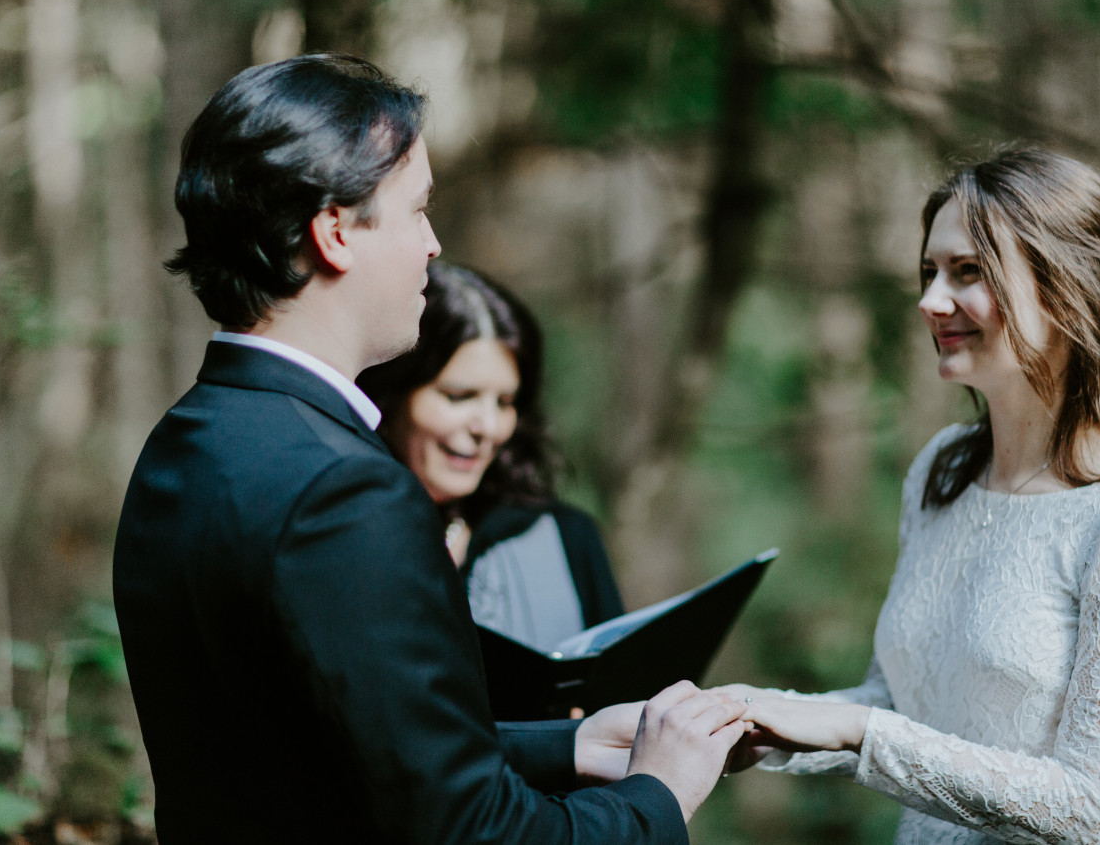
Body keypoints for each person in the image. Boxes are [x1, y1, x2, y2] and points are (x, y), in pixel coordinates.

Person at [112, 52, 747, 844]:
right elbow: (468, 831)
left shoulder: (185, 441)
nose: (434, 244)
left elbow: (318, 750)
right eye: (417, 211)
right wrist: (656, 794)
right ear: (335, 231)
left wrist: (571, 745)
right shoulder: (344, 492)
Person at [725, 148, 1100, 845]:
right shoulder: (942, 469)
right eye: (928, 271)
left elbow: (1091, 806)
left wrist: (859, 731)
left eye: (967, 271)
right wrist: (747, 715)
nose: (929, 300)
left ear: (1067, 286)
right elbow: (898, 705)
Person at [357, 261, 625, 658]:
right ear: (392, 393)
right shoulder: (339, 533)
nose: (487, 427)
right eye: (459, 396)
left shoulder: (566, 537)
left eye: (504, 402)